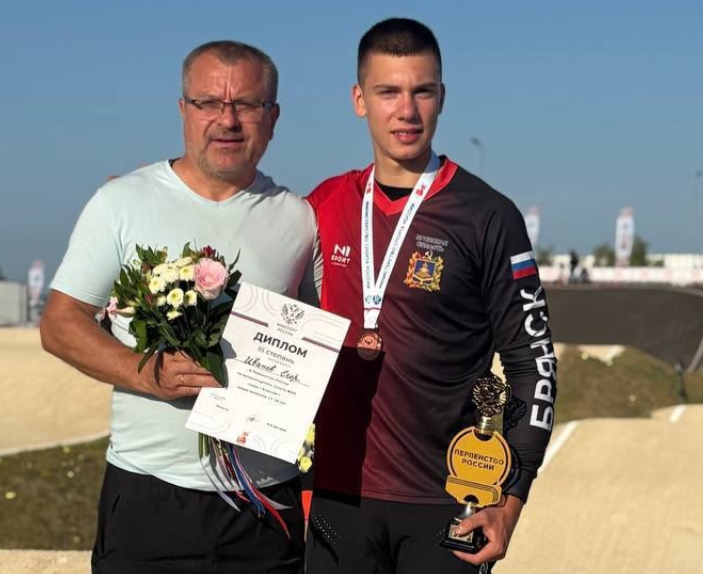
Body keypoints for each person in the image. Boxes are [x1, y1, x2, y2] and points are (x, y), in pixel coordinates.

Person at [40, 40, 316, 574]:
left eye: (246, 104)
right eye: (209, 102)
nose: (227, 120)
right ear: (183, 109)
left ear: (273, 118)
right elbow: (59, 324)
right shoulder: (122, 202)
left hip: (265, 504)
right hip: (150, 494)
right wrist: (145, 373)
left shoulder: (301, 219)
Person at [305, 18, 557, 573]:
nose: (407, 110)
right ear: (359, 100)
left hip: (450, 502)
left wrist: (510, 501)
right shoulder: (323, 204)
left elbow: (533, 363)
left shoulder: (488, 215)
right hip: (337, 500)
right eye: (388, 92)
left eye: (422, 91)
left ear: (442, 97)